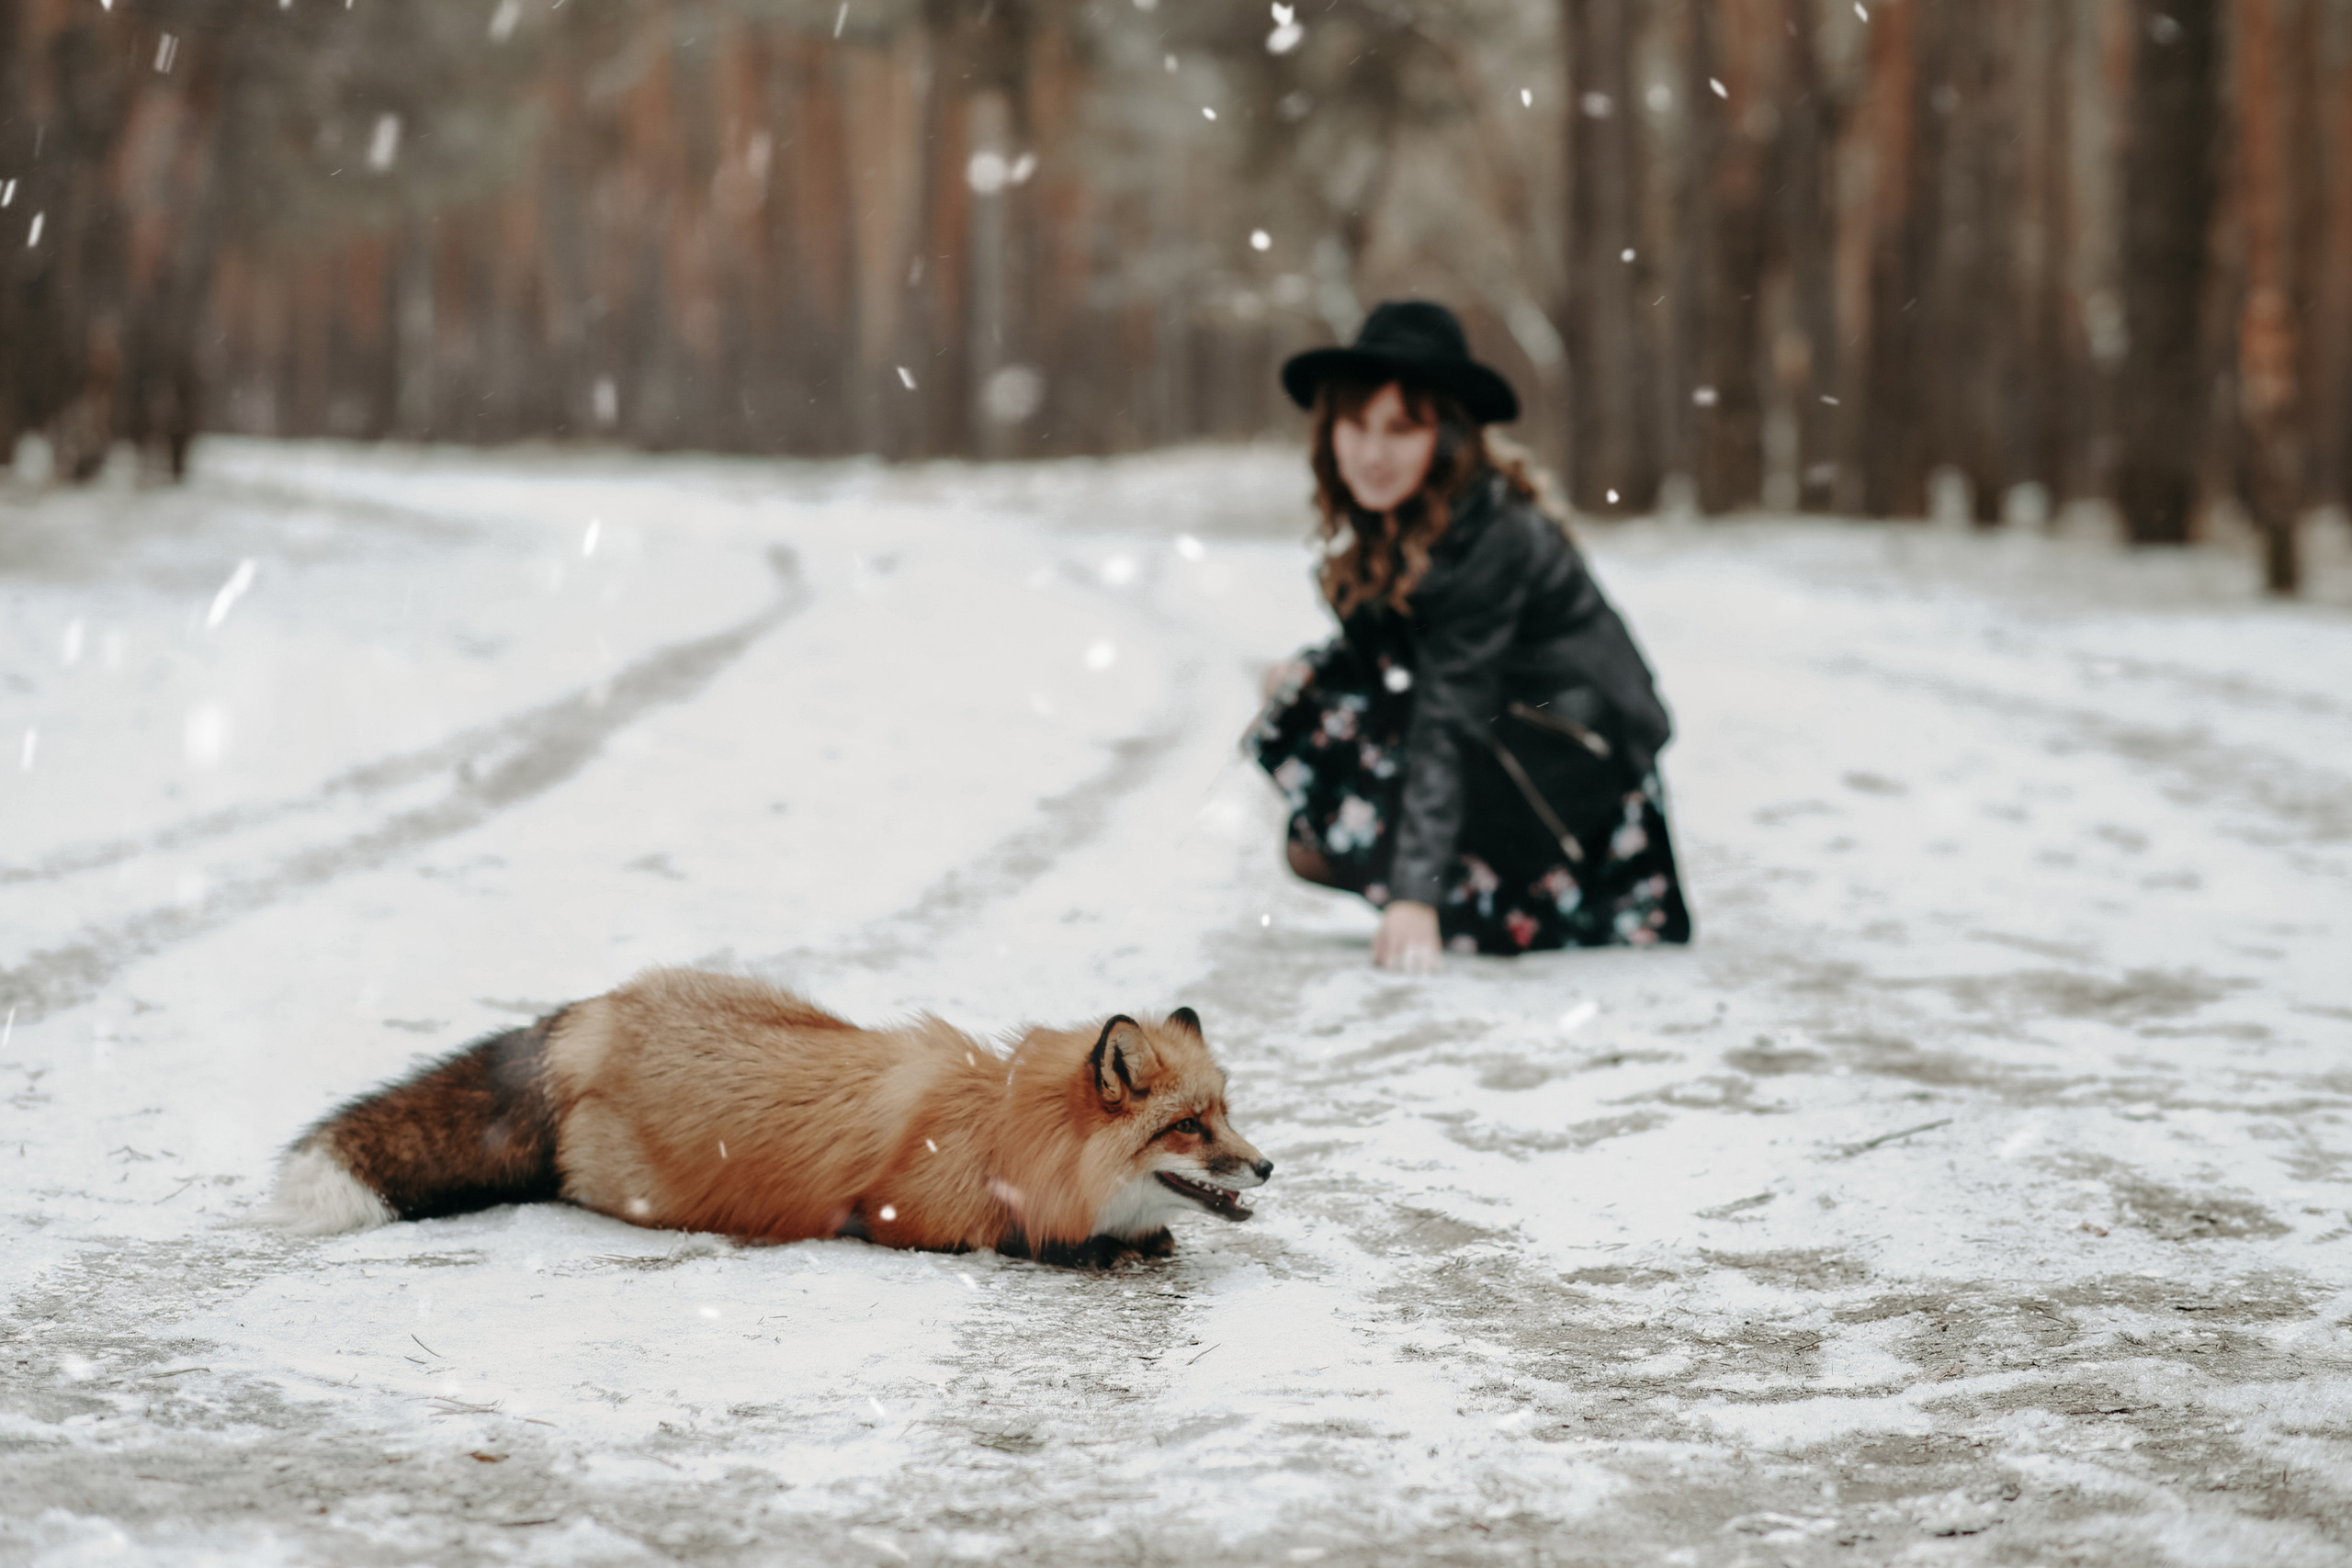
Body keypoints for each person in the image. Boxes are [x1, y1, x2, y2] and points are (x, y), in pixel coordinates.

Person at [1245, 299, 1691, 972]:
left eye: (1401, 428)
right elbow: (1389, 661)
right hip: (1511, 749)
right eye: (1356, 424)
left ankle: (1481, 897)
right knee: (1305, 697)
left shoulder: (1488, 534)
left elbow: (1448, 712)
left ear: (1446, 435)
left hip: (1574, 789)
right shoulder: (1406, 514)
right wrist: (1303, 678)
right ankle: (1460, 888)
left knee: (1325, 805)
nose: (1372, 452)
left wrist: (1414, 893)